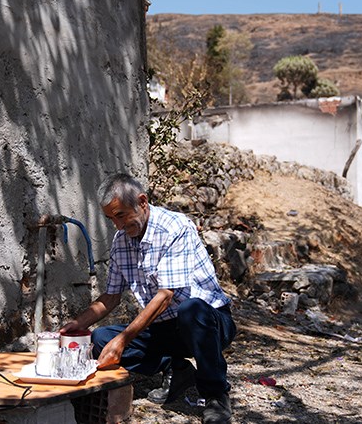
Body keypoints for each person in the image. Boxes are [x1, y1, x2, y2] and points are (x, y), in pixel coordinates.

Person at [60, 173, 236, 424]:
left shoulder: (175, 227)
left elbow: (166, 295)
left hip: (209, 323)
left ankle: (216, 394)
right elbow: (110, 297)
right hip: (167, 328)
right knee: (100, 338)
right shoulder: (121, 241)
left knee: (191, 310)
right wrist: (78, 324)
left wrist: (123, 339)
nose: (117, 225)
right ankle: (177, 368)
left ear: (142, 202)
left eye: (121, 215)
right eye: (111, 218)